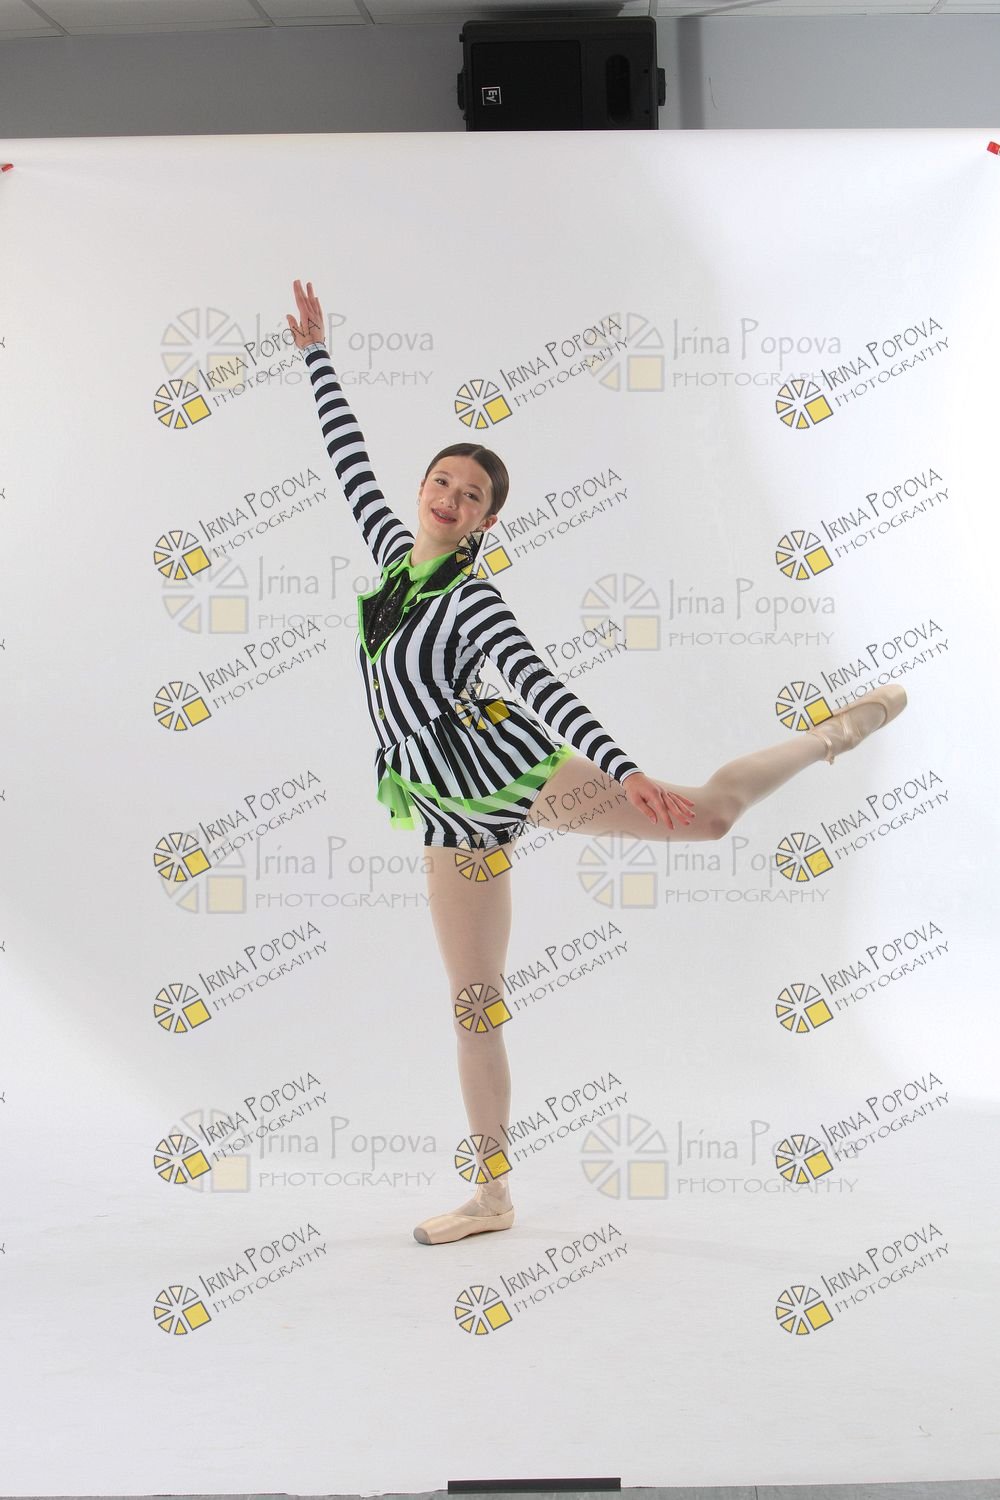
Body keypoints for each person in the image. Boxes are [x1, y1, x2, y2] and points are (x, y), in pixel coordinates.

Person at [286, 278, 906, 1247]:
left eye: (472, 496)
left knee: (708, 817)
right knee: (475, 1004)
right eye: (443, 482)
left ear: (487, 523)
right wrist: (317, 355)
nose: (451, 498)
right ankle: (491, 1197)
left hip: (510, 767)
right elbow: (346, 457)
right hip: (444, 810)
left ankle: (833, 733)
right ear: (424, 492)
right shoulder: (389, 555)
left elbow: (541, 686)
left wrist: (624, 771)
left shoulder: (472, 599)